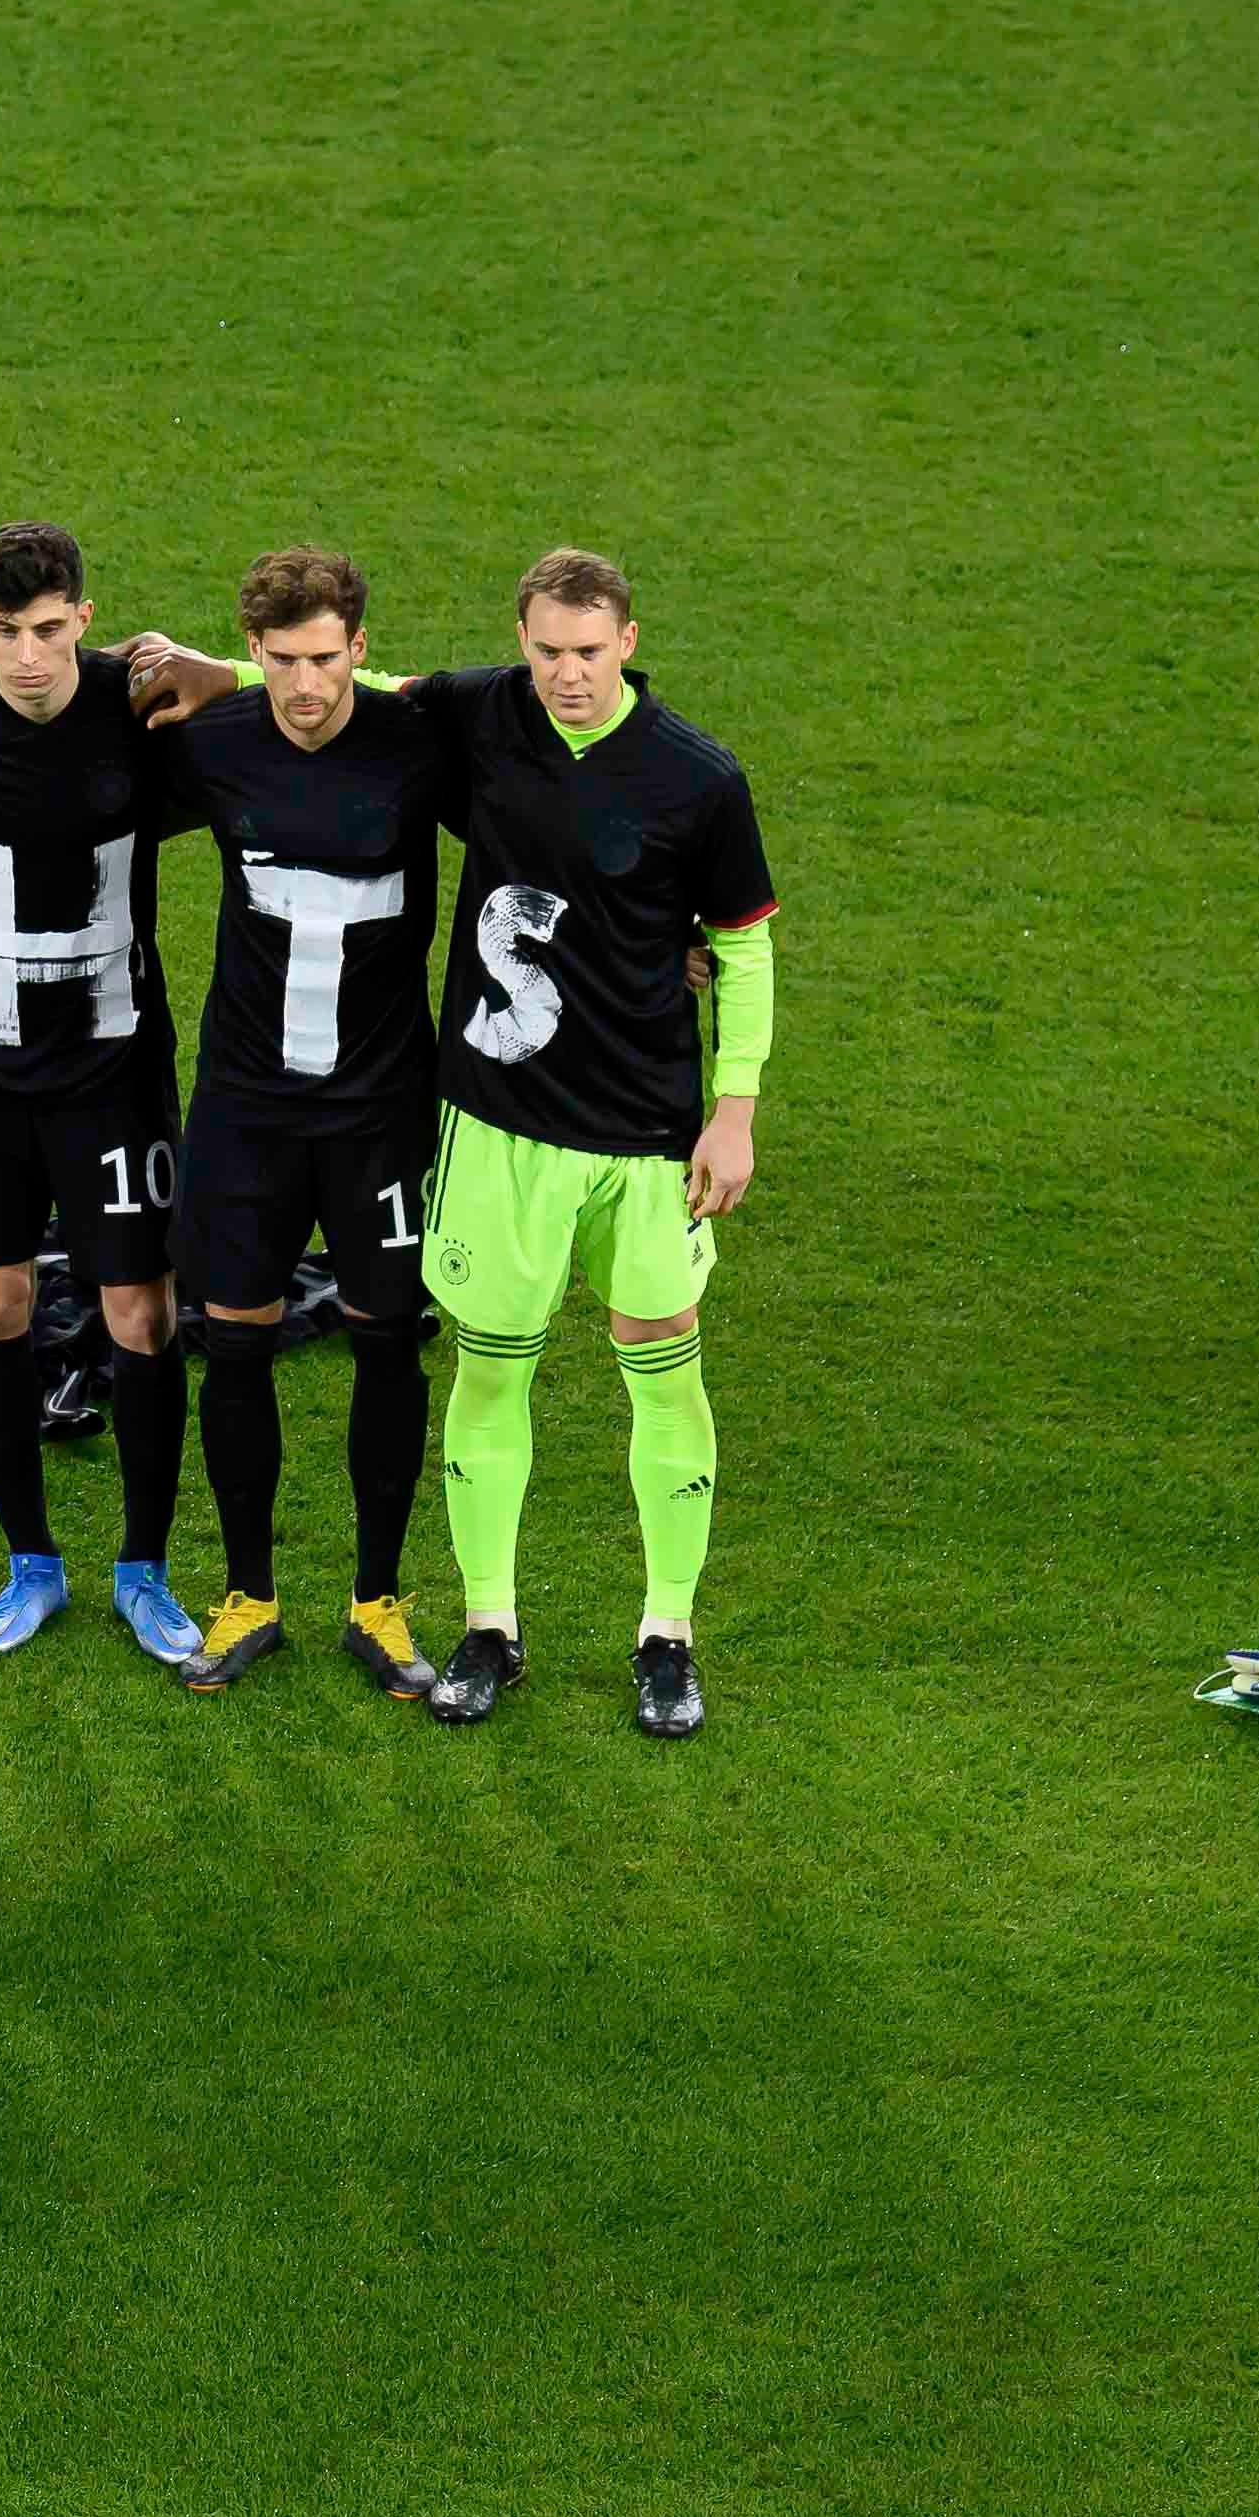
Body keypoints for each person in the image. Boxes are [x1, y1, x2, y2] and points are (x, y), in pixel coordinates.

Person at [397, 551, 779, 1736]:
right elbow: (341, 686)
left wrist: (732, 1111)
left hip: (646, 1132)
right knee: (490, 1368)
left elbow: (744, 945)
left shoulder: (697, 778)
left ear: (628, 642)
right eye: (546, 651)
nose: (566, 673)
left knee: (662, 1361)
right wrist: (215, 672)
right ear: (520, 641)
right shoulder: (482, 715)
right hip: (499, 1122)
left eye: (588, 650)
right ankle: (488, 1625)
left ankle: (667, 1635)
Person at [0, 521, 235, 1666]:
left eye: (49, 630)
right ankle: (29, 1562)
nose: (29, 657)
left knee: (140, 1312)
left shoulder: (141, 709)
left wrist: (225, 670)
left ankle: (143, 1569)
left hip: (113, 1073)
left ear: (85, 620)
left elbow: (310, 729)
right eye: (5, 632)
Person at [132, 547, 455, 1695]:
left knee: (385, 1337)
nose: (306, 686)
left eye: (325, 659)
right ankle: (248, 1595)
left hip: (380, 1111)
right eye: (279, 661)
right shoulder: (214, 743)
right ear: (253, 652)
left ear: (360, 649)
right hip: (247, 1107)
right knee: (234, 1335)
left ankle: (378, 1601)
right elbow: (84, 784)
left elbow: (547, 790)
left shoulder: (420, 741)